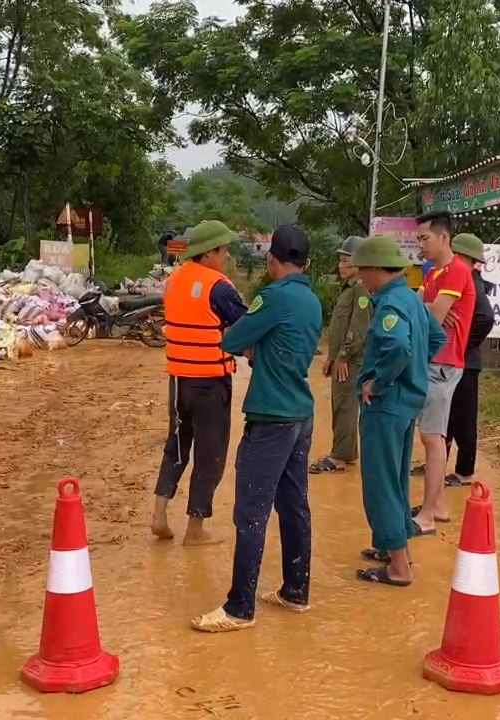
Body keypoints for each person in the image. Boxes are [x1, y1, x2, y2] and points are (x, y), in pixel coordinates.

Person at [190, 225, 322, 631]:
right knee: (294, 505)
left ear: (270, 260)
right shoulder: (313, 300)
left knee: (251, 511)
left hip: (271, 417)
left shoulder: (273, 297)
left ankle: (239, 608)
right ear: (307, 262)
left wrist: (254, 343)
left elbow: (233, 340)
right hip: (301, 413)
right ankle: (295, 591)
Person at [351, 235, 445, 586]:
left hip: (386, 405)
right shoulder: (410, 298)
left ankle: (399, 568)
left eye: (363, 270)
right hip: (407, 404)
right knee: (397, 479)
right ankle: (395, 547)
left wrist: (378, 382)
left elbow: (400, 348)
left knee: (381, 483)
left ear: (376, 270)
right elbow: (436, 339)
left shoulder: (390, 305)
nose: (361, 277)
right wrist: (415, 374)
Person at [152, 220, 247, 545]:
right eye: (223, 250)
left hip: (179, 380)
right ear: (208, 252)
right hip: (210, 381)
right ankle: (195, 530)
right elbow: (246, 325)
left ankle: (159, 513)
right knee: (210, 454)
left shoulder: (175, 280)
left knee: (176, 446)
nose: (226, 255)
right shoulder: (218, 286)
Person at [412, 211, 474, 536]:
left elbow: (432, 317)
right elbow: (421, 306)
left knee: (432, 437)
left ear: (444, 238)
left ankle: (427, 515)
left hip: (444, 362)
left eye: (425, 238)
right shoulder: (433, 273)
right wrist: (428, 308)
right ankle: (436, 505)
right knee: (431, 435)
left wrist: (429, 309)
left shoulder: (456, 272)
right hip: (434, 359)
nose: (420, 244)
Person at [309, 236, 371, 474]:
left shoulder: (361, 289)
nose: (340, 265)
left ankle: (340, 457)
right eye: (340, 261)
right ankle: (347, 451)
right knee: (340, 403)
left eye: (346, 261)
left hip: (352, 360)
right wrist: (331, 358)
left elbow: (358, 328)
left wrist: (343, 356)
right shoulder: (350, 289)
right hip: (343, 359)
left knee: (345, 405)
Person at [444, 234, 494, 487]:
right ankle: (438, 462)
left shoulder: (472, 282)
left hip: (466, 360)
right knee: (448, 414)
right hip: (455, 359)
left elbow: (486, 318)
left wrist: (464, 344)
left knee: (463, 417)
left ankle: (465, 472)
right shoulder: (459, 278)